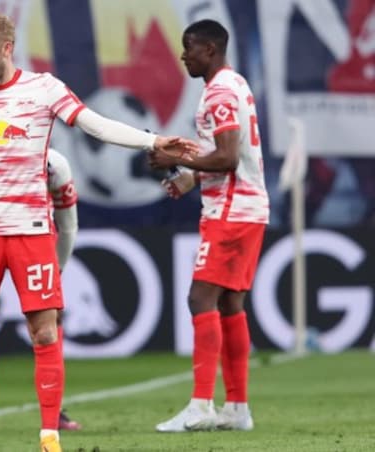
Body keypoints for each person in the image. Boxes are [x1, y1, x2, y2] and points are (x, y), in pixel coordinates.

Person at [0, 12, 197, 452]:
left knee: (45, 333)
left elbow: (95, 124)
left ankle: (49, 437)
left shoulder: (44, 88)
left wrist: (152, 140)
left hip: (30, 230)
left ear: (7, 48)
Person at [147, 19, 269, 433]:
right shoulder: (235, 84)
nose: (184, 55)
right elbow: (227, 156)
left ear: (210, 50)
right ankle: (237, 409)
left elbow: (228, 158)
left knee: (200, 298)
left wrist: (177, 161)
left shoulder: (218, 91)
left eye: (189, 47)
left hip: (232, 211)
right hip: (246, 206)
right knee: (229, 304)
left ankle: (201, 405)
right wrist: (189, 176)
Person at [0, 149, 81, 433]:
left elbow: (68, 224)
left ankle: (54, 411)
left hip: (34, 241)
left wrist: (59, 269)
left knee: (50, 323)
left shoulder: (54, 163)